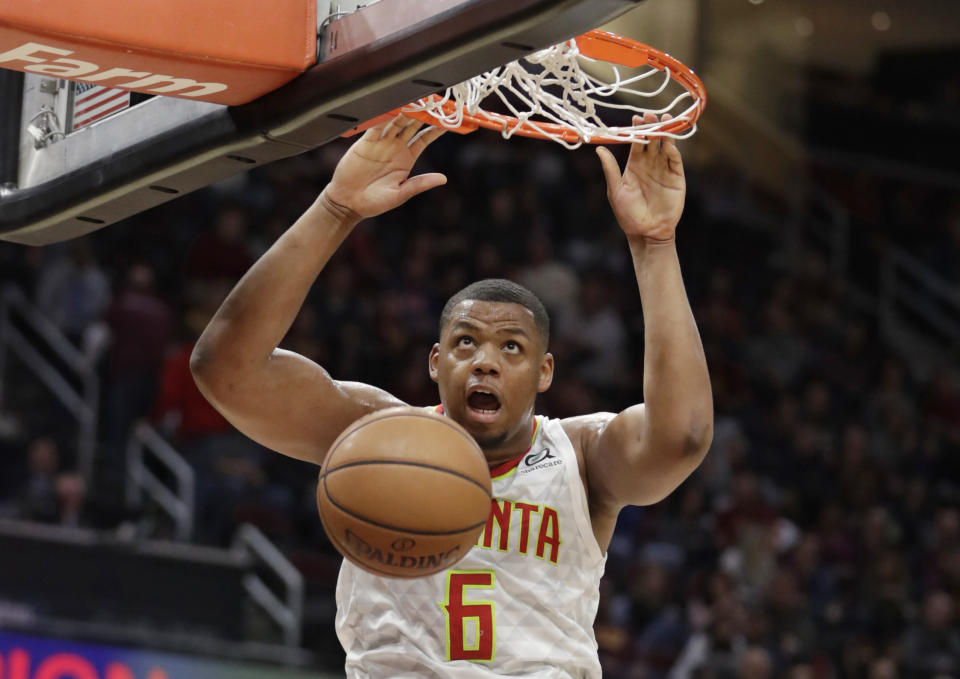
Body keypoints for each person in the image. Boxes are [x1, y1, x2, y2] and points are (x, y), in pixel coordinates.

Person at [191, 114, 713, 677]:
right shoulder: (376, 435)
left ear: (545, 373)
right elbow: (225, 370)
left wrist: (655, 245)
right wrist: (336, 209)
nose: (486, 360)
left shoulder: (581, 456)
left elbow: (680, 437)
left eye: (512, 348)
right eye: (467, 342)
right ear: (437, 362)